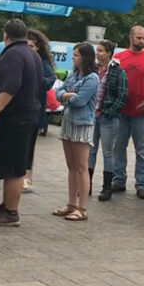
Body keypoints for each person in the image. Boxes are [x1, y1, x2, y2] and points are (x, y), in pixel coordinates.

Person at [0, 18, 42, 227]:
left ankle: (11, 212)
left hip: (16, 119)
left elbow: (11, 87)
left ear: (5, 36)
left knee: (14, 167)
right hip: (26, 116)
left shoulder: (14, 55)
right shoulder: (32, 54)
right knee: (14, 165)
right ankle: (6, 206)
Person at [112, 26, 144, 200]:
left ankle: (142, 184)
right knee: (118, 147)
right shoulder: (119, 58)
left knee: (141, 149)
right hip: (121, 112)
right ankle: (118, 180)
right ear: (131, 37)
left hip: (142, 113)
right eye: (139, 38)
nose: (141, 41)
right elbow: (111, 80)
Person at [52, 42, 99, 221]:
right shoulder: (74, 74)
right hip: (68, 121)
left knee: (81, 166)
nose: (73, 57)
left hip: (82, 124)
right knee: (71, 165)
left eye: (77, 55)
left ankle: (82, 207)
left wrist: (67, 96)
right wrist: (67, 95)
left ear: (85, 57)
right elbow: (58, 91)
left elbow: (80, 101)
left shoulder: (92, 78)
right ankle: (71, 203)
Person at [89, 39, 126, 202]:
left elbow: (122, 95)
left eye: (101, 50)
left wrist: (111, 111)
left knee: (107, 152)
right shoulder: (94, 70)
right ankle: (87, 184)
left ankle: (106, 187)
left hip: (107, 117)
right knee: (90, 150)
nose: (98, 53)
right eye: (97, 50)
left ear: (109, 53)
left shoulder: (118, 72)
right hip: (93, 115)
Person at [23, 29, 56, 192]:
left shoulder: (42, 63)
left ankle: (27, 176)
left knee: (29, 145)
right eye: (26, 45)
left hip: (35, 109)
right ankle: (17, 175)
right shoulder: (19, 60)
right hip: (18, 109)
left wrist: (36, 77)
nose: (29, 48)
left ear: (37, 48)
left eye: (32, 45)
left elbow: (50, 80)